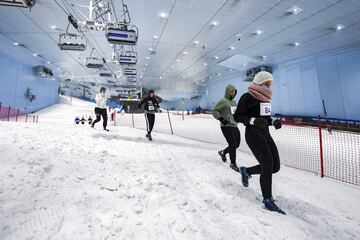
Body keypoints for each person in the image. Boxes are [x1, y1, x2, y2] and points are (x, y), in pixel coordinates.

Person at [233, 71, 285, 215]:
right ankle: (267, 200)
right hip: (253, 133)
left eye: (270, 84)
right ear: (259, 83)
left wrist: (273, 122)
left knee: (275, 166)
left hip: (264, 133)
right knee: (267, 163)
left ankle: (246, 171)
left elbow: (265, 119)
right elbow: (237, 116)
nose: (269, 86)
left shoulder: (265, 100)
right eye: (266, 83)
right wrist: (253, 121)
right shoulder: (247, 97)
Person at [212, 84, 240, 172]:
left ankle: (223, 153)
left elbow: (235, 113)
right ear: (228, 92)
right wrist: (221, 119)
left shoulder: (234, 102)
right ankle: (233, 164)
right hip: (226, 126)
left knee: (237, 144)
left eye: (234, 92)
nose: (233, 93)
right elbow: (214, 110)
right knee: (232, 144)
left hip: (234, 125)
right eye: (232, 92)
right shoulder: (223, 101)